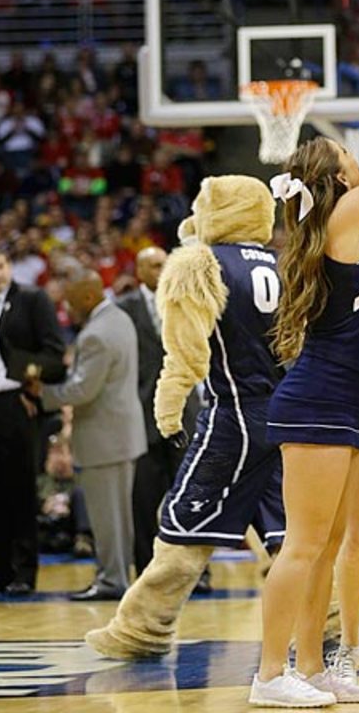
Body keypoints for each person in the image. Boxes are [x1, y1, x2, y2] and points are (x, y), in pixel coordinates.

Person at [249, 46, 359, 707]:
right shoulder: (349, 219)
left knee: (319, 549)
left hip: (332, 403)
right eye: (347, 152)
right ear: (336, 178)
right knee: (301, 548)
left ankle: (311, 666)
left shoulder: (342, 215)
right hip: (319, 404)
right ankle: (270, 676)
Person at [86, 176, 284, 660]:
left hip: (231, 412)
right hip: (286, 412)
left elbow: (186, 355)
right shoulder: (281, 264)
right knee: (290, 536)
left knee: (182, 522)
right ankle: (332, 629)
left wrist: (168, 410)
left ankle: (142, 629)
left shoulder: (199, 263)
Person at [30, 271, 146, 599]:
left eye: (69, 301)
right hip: (123, 434)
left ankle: (111, 581)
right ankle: (119, 577)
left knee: (106, 518)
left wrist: (43, 393)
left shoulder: (95, 334)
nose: (67, 309)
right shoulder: (120, 318)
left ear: (86, 298)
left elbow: (83, 389)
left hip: (103, 439)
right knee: (120, 518)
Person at [0, 245, 65, 595]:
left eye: (1, 266)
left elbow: (54, 353)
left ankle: (24, 572)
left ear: (9, 267)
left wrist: (31, 383)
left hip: (16, 405)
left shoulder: (33, 299)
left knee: (19, 491)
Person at [118, 246, 202, 576]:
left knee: (189, 497)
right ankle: (145, 569)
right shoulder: (123, 309)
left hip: (185, 412)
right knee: (144, 500)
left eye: (164, 264)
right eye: (153, 265)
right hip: (141, 415)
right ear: (139, 271)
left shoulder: (187, 301)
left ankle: (196, 572)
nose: (160, 269)